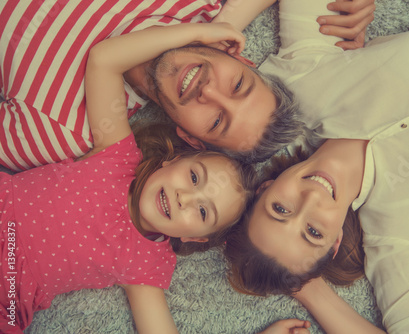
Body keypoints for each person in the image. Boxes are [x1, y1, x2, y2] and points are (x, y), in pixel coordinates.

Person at [223, 0, 409, 333]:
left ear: (267, 187)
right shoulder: (399, 232)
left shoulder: (304, 88)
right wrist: (306, 287)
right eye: (313, 232)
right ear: (336, 242)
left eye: (280, 208)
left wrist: (222, 26)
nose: (311, 199)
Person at [0, 22, 257, 333]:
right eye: (192, 177)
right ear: (169, 162)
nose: (185, 198)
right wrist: (196, 35)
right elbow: (104, 60)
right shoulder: (118, 155)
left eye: (202, 212)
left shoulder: (148, 264)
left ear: (194, 238)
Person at [0, 0, 373, 171]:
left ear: (191, 139)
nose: (208, 92)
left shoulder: (64, 132)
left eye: (215, 121)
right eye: (238, 85)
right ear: (240, 57)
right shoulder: (206, 8)